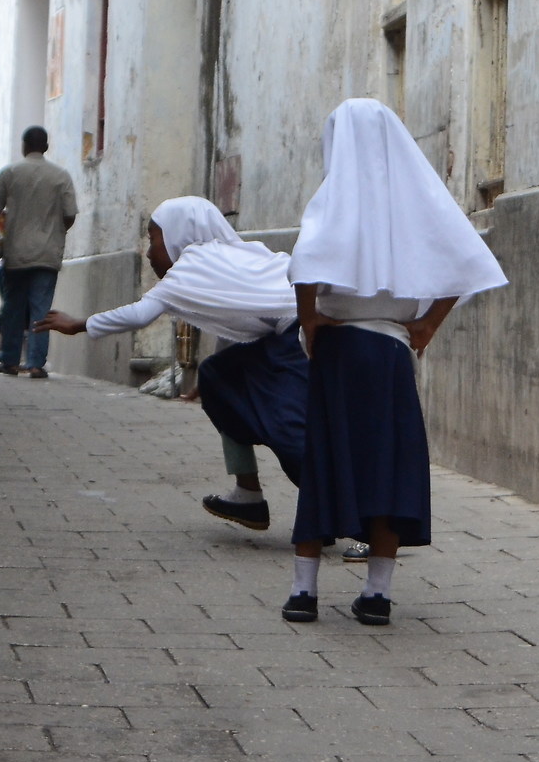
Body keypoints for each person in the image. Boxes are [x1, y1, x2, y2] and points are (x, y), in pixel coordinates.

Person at [281, 99, 506, 626]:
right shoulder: (418, 200)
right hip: (390, 353)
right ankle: (377, 594)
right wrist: (427, 325)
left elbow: (304, 262)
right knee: (389, 465)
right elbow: (466, 258)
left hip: (338, 350)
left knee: (325, 460)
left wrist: (309, 318)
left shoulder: (333, 197)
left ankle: (303, 591)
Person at [36, 197, 307, 528]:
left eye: (153, 239)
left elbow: (140, 314)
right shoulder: (236, 255)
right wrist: (218, 381)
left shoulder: (189, 269)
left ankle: (345, 515)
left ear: (179, 235)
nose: (149, 252)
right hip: (296, 330)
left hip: (298, 336)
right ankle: (250, 495)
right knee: (217, 376)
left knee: (291, 432)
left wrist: (78, 324)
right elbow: (243, 325)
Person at [0, 126, 76, 377]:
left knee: (13, 307)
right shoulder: (61, 176)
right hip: (47, 253)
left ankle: (10, 361)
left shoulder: (10, 172)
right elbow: (69, 215)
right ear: (46, 147)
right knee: (41, 310)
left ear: (24, 146)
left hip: (15, 253)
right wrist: (56, 232)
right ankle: (35, 364)